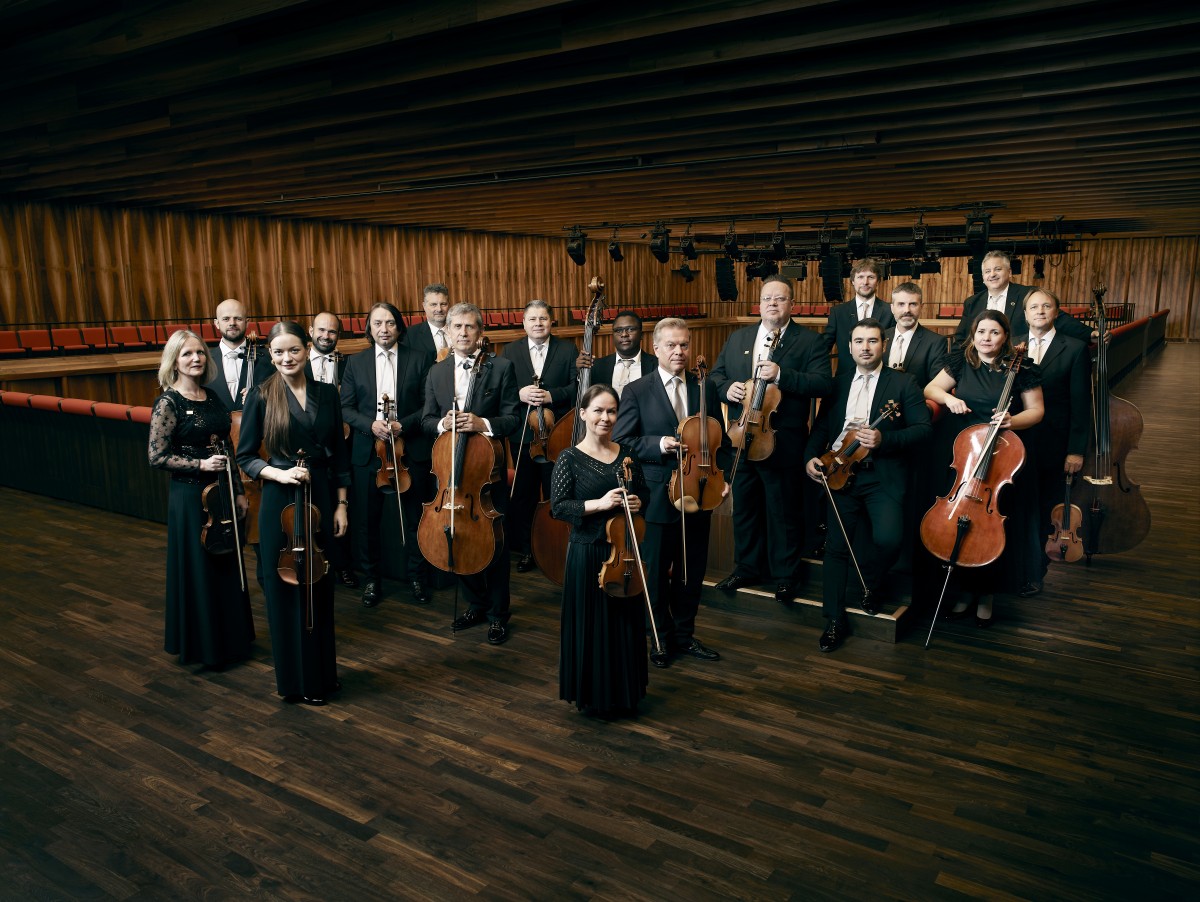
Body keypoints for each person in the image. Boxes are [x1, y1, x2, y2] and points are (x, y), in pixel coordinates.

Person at [237, 322, 350, 705]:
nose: (287, 358)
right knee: (285, 588)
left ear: (307, 350)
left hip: (319, 493)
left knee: (320, 587)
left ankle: (322, 677)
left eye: (294, 351)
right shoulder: (260, 395)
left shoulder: (327, 394)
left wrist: (342, 504)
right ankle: (294, 682)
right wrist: (279, 473)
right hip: (279, 500)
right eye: (279, 352)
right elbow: (246, 457)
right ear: (270, 355)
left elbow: (340, 455)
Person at [803, 319, 931, 652]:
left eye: (872, 341)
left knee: (889, 538)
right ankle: (833, 620)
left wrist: (883, 438)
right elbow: (820, 428)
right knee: (835, 548)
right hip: (838, 472)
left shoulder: (904, 384)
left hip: (882, 474)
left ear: (883, 345)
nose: (865, 347)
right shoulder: (838, 383)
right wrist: (809, 457)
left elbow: (923, 430)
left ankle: (870, 583)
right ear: (849, 347)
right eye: (858, 341)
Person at [614, 317, 730, 668]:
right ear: (656, 348)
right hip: (656, 494)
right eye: (671, 345)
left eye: (684, 345)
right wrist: (657, 443)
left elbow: (717, 437)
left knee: (690, 571)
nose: (679, 352)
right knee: (656, 572)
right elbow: (622, 441)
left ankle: (684, 634)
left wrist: (721, 477)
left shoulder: (703, 386)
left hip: (701, 488)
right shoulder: (637, 390)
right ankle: (660, 638)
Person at [711, 276, 833, 601]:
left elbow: (823, 384)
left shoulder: (810, 342)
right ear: (759, 303)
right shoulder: (739, 338)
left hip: (782, 443)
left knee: (783, 512)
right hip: (741, 439)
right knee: (745, 508)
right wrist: (727, 389)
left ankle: (785, 575)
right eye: (767, 299)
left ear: (792, 305)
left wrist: (782, 375)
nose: (772, 304)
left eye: (780, 299)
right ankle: (746, 567)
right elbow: (716, 376)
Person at [923, 310, 1044, 626]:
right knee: (959, 523)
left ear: (1005, 337)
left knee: (989, 528)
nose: (986, 338)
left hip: (1001, 457)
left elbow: (1037, 411)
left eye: (994, 333)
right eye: (981, 332)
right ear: (973, 334)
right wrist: (948, 400)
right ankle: (963, 592)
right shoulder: (962, 362)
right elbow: (931, 389)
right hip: (963, 453)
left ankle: (986, 594)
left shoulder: (1022, 368)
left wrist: (1011, 420)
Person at [148, 329, 255, 669]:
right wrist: (199, 464)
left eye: (199, 353)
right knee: (199, 566)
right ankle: (205, 647)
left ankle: (232, 640)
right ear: (175, 362)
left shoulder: (211, 396)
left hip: (221, 491)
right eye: (187, 354)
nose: (195, 359)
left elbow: (228, 448)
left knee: (225, 563)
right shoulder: (168, 402)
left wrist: (238, 490)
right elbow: (156, 456)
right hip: (190, 495)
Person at [421, 302, 521, 645]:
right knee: (455, 537)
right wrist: (441, 423)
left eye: (470, 327)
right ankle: (475, 604)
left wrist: (483, 424)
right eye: (457, 327)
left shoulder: (501, 367)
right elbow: (424, 419)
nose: (463, 333)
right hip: (451, 476)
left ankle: (498, 614)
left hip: (486, 477)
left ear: (480, 333)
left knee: (495, 545)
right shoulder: (436, 372)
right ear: (447, 331)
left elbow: (514, 418)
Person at [551, 384, 649, 718]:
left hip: (623, 554)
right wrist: (600, 503)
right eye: (598, 411)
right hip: (588, 552)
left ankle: (624, 693)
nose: (605, 418)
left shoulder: (627, 456)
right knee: (592, 625)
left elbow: (644, 495)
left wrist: (637, 502)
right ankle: (594, 697)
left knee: (623, 623)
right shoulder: (569, 458)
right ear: (583, 414)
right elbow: (559, 507)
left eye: (611, 411)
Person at [340, 302, 430, 607]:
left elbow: (428, 405)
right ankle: (371, 580)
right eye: (377, 323)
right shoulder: (355, 362)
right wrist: (371, 425)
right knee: (367, 522)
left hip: (409, 450)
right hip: (369, 453)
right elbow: (346, 408)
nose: (384, 329)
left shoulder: (419, 359)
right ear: (369, 328)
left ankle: (417, 576)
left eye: (390, 323)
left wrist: (402, 424)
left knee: (416, 518)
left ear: (399, 327)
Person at [1014, 288, 1090, 596]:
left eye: (1047, 306)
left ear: (1057, 312)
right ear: (1026, 313)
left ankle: (1035, 572)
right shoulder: (1012, 344)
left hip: (1054, 442)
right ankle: (1014, 567)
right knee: (1020, 506)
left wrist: (1075, 449)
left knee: (1045, 508)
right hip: (1017, 438)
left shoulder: (1073, 348)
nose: (1040, 311)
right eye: (1034, 306)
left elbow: (1080, 403)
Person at [503, 300, 577, 573]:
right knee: (523, 495)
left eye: (543, 318)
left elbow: (577, 387)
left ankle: (558, 544)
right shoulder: (510, 351)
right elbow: (503, 390)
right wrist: (520, 394)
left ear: (551, 321)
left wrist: (552, 395)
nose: (538, 323)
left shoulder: (568, 349)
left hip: (556, 436)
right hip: (523, 435)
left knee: (557, 492)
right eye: (532, 319)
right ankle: (528, 549)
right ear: (523, 323)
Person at [307, 311, 356, 588]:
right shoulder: (296, 362)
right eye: (321, 330)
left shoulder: (347, 364)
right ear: (311, 330)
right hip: (308, 446)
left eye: (332, 332)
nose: (326, 336)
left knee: (342, 509)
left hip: (340, 443)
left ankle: (343, 565)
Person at [953, 250, 1092, 345]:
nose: (992, 274)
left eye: (998, 269)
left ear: (1009, 272)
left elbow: (1056, 317)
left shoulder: (1027, 294)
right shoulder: (972, 302)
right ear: (983, 277)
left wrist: (1090, 334)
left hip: (1017, 362)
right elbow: (960, 339)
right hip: (981, 365)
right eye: (987, 271)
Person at [205, 298, 274, 412]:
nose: (232, 323)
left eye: (238, 318)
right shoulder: (205, 361)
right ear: (217, 323)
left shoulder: (268, 358)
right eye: (226, 319)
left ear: (247, 322)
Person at [822, 259, 895, 357]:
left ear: (878, 281)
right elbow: (823, 349)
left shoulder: (890, 311)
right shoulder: (838, 313)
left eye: (871, 277)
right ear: (852, 281)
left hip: (880, 371)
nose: (865, 282)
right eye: (860, 277)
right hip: (847, 372)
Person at [883, 281, 948, 388]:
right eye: (901, 304)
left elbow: (937, 386)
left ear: (921, 307)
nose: (907, 310)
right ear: (892, 308)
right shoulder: (880, 337)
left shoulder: (936, 342)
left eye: (913, 304)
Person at [585, 311, 656, 398]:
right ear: (613, 335)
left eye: (630, 329)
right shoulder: (597, 366)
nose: (624, 334)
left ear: (641, 334)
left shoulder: (657, 365)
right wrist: (580, 373)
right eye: (618, 330)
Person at [403, 283, 451, 366]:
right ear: (424, 306)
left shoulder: (460, 330)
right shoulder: (409, 335)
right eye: (433, 304)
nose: (439, 309)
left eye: (443, 304)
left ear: (448, 305)